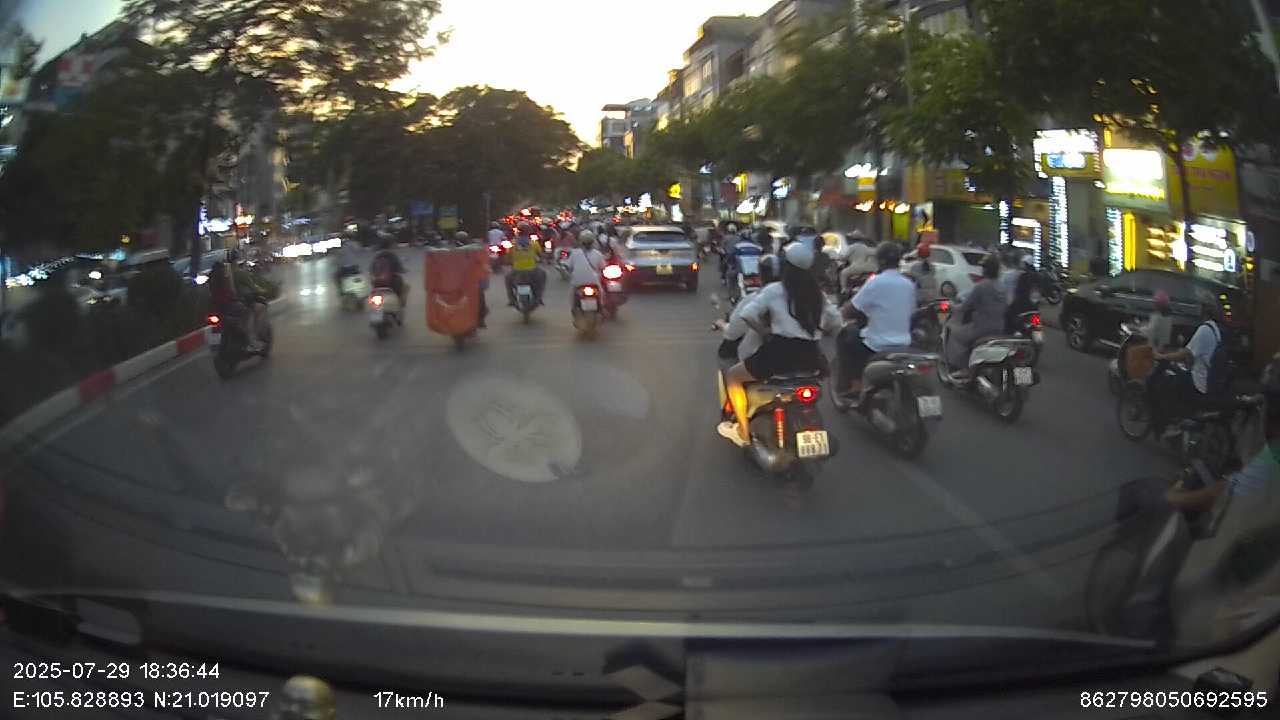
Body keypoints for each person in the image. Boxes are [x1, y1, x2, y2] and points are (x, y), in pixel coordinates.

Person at [718, 242, 842, 447]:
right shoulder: (817, 294)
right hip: (812, 357)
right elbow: (836, 322)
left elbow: (747, 315)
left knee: (733, 377)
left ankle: (743, 432)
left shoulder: (775, 290)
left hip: (779, 355)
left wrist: (765, 332)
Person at [835, 242, 916, 402]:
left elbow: (850, 309)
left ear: (880, 261)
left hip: (877, 344)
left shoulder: (876, 282)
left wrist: (842, 312)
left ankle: (856, 385)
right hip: (904, 342)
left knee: (846, 336)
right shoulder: (908, 284)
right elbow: (910, 309)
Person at [1153, 299, 1228, 419]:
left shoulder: (1204, 330)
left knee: (1168, 381)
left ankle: (1173, 420)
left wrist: (1162, 356)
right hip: (1209, 377)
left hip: (1199, 381)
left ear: (1202, 310)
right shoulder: (1215, 329)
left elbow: (1185, 354)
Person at [943, 255, 1006, 373]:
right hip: (999, 328)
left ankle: (962, 367)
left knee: (952, 330)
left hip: (981, 329)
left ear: (986, 270)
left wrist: (951, 306)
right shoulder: (1003, 287)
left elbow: (964, 307)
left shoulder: (981, 286)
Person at [716, 254, 780, 362]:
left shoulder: (754, 300)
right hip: (795, 356)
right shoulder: (796, 298)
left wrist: (722, 324)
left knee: (726, 359)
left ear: (761, 275)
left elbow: (732, 332)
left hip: (757, 359)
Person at [208, 260, 264, 351]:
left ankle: (217, 345)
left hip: (216, 308)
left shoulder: (211, 280)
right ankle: (249, 340)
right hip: (228, 306)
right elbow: (230, 294)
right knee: (247, 312)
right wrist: (237, 298)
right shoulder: (225, 278)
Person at [505, 221, 546, 306]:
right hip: (532, 270)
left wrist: (509, 261)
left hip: (516, 270)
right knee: (543, 276)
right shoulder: (534, 243)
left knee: (507, 280)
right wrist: (542, 259)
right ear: (528, 232)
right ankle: (539, 298)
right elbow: (541, 255)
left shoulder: (512, 243)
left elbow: (507, 257)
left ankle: (512, 300)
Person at [565, 229, 607, 305]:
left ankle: (573, 307)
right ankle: (601, 306)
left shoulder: (574, 253)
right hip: (594, 282)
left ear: (581, 242)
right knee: (601, 292)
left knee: (572, 294)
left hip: (577, 282)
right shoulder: (598, 254)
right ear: (593, 242)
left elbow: (569, 267)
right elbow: (603, 268)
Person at [456, 231, 488, 327]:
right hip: (472, 280)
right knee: (480, 297)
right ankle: (481, 320)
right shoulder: (475, 249)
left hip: (462, 280)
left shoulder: (455, 251)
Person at [369, 238, 407, 307]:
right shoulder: (392, 255)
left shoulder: (376, 256)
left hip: (377, 283)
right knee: (404, 287)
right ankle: (400, 303)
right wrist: (403, 270)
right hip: (391, 282)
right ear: (389, 245)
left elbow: (371, 270)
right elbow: (399, 268)